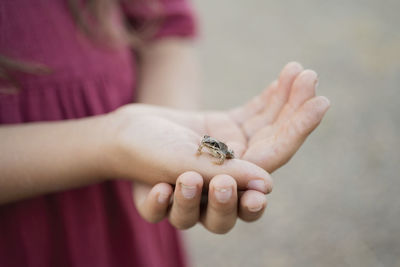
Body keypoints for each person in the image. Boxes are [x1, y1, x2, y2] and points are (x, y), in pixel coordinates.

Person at [0, 0, 330, 266]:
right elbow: (202, 146)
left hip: (139, 185)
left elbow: (166, 31)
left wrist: (169, 122)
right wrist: (115, 142)